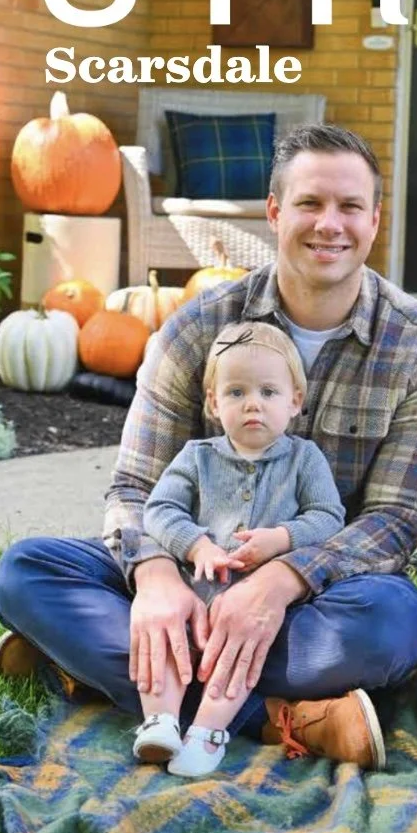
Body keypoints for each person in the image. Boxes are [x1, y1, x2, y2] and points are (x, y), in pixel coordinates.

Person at [0, 124, 417, 771]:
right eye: (309, 203)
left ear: (375, 219)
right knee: (28, 572)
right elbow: (136, 488)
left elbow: (394, 522)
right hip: (190, 569)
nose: (330, 224)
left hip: (325, 596)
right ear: (274, 212)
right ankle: (281, 717)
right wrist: (157, 581)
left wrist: (277, 582)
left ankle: (99, 671)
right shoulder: (197, 328)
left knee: (393, 628)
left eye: (350, 206)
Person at [134, 321, 345, 777]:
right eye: (236, 392)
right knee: (168, 648)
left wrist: (281, 538)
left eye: (269, 392)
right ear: (213, 403)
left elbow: (329, 516)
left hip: (260, 608)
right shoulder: (197, 456)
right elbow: (159, 509)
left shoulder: (304, 459)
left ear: (295, 402)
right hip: (196, 593)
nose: (253, 403)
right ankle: (161, 722)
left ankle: (207, 734)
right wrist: (196, 547)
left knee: (237, 661)